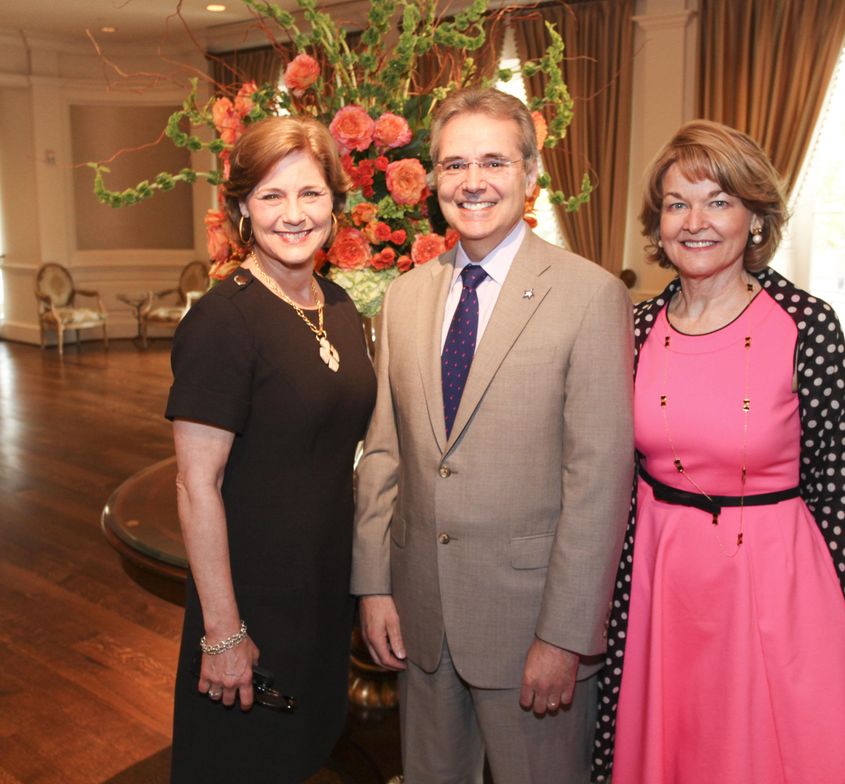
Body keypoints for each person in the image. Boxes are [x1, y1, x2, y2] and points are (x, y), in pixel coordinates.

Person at [351, 87, 634, 784]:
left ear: (531, 174)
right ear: (432, 182)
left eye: (494, 162)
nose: (472, 182)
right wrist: (374, 587)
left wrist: (564, 637)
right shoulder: (405, 297)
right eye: (453, 165)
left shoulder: (590, 296)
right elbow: (384, 453)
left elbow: (597, 484)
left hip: (531, 627)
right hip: (421, 616)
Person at [593, 120, 845, 784]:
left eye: (718, 200)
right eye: (676, 203)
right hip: (662, 578)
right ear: (658, 222)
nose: (696, 220)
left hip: (776, 582)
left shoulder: (806, 324)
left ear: (754, 217)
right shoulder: (634, 329)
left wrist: (824, 598)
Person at [166, 116, 376, 783]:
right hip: (250, 600)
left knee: (304, 753)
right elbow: (196, 484)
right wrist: (224, 634)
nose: (294, 214)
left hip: (321, 594)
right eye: (272, 196)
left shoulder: (339, 305)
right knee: (243, 763)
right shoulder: (223, 320)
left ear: (335, 206)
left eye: (311, 195)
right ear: (241, 210)